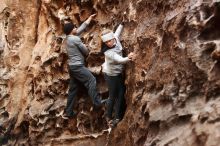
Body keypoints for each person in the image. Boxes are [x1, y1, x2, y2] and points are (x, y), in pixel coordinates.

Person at [63, 14, 105, 118]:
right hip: (78, 67)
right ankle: (97, 102)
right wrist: (87, 46)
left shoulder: (68, 39)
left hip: (72, 68)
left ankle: (68, 112)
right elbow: (86, 52)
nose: (76, 28)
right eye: (74, 27)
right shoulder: (75, 39)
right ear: (72, 30)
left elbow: (80, 29)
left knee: (73, 89)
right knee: (91, 80)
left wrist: (89, 19)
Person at [100, 23, 135, 127]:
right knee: (114, 95)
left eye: (110, 40)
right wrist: (129, 58)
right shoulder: (108, 52)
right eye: (106, 42)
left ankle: (116, 117)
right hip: (111, 75)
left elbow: (117, 32)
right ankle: (110, 117)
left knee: (120, 94)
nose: (109, 43)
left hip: (117, 73)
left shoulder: (115, 38)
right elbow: (119, 60)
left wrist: (122, 23)